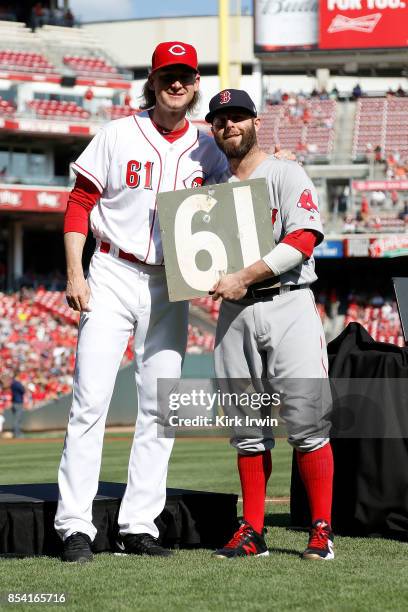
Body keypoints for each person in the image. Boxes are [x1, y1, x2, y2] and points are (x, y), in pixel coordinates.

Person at [54, 41, 230, 563]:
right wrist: (74, 272)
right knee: (90, 401)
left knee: (161, 409)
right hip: (110, 270)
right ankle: (75, 527)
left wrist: (275, 158)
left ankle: (137, 524)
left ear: (196, 83)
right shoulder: (116, 134)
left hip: (170, 283)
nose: (177, 84)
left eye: (185, 76)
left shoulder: (207, 148)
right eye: (167, 75)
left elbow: (238, 191)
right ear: (152, 81)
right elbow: (80, 202)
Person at [205, 89, 334, 560]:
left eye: (238, 116)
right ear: (212, 128)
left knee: (307, 422)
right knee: (246, 428)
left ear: (256, 121)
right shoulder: (213, 181)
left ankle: (321, 529)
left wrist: (242, 275)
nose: (229, 125)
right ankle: (252, 531)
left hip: (288, 303)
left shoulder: (285, 170)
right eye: (220, 119)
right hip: (235, 313)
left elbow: (303, 238)